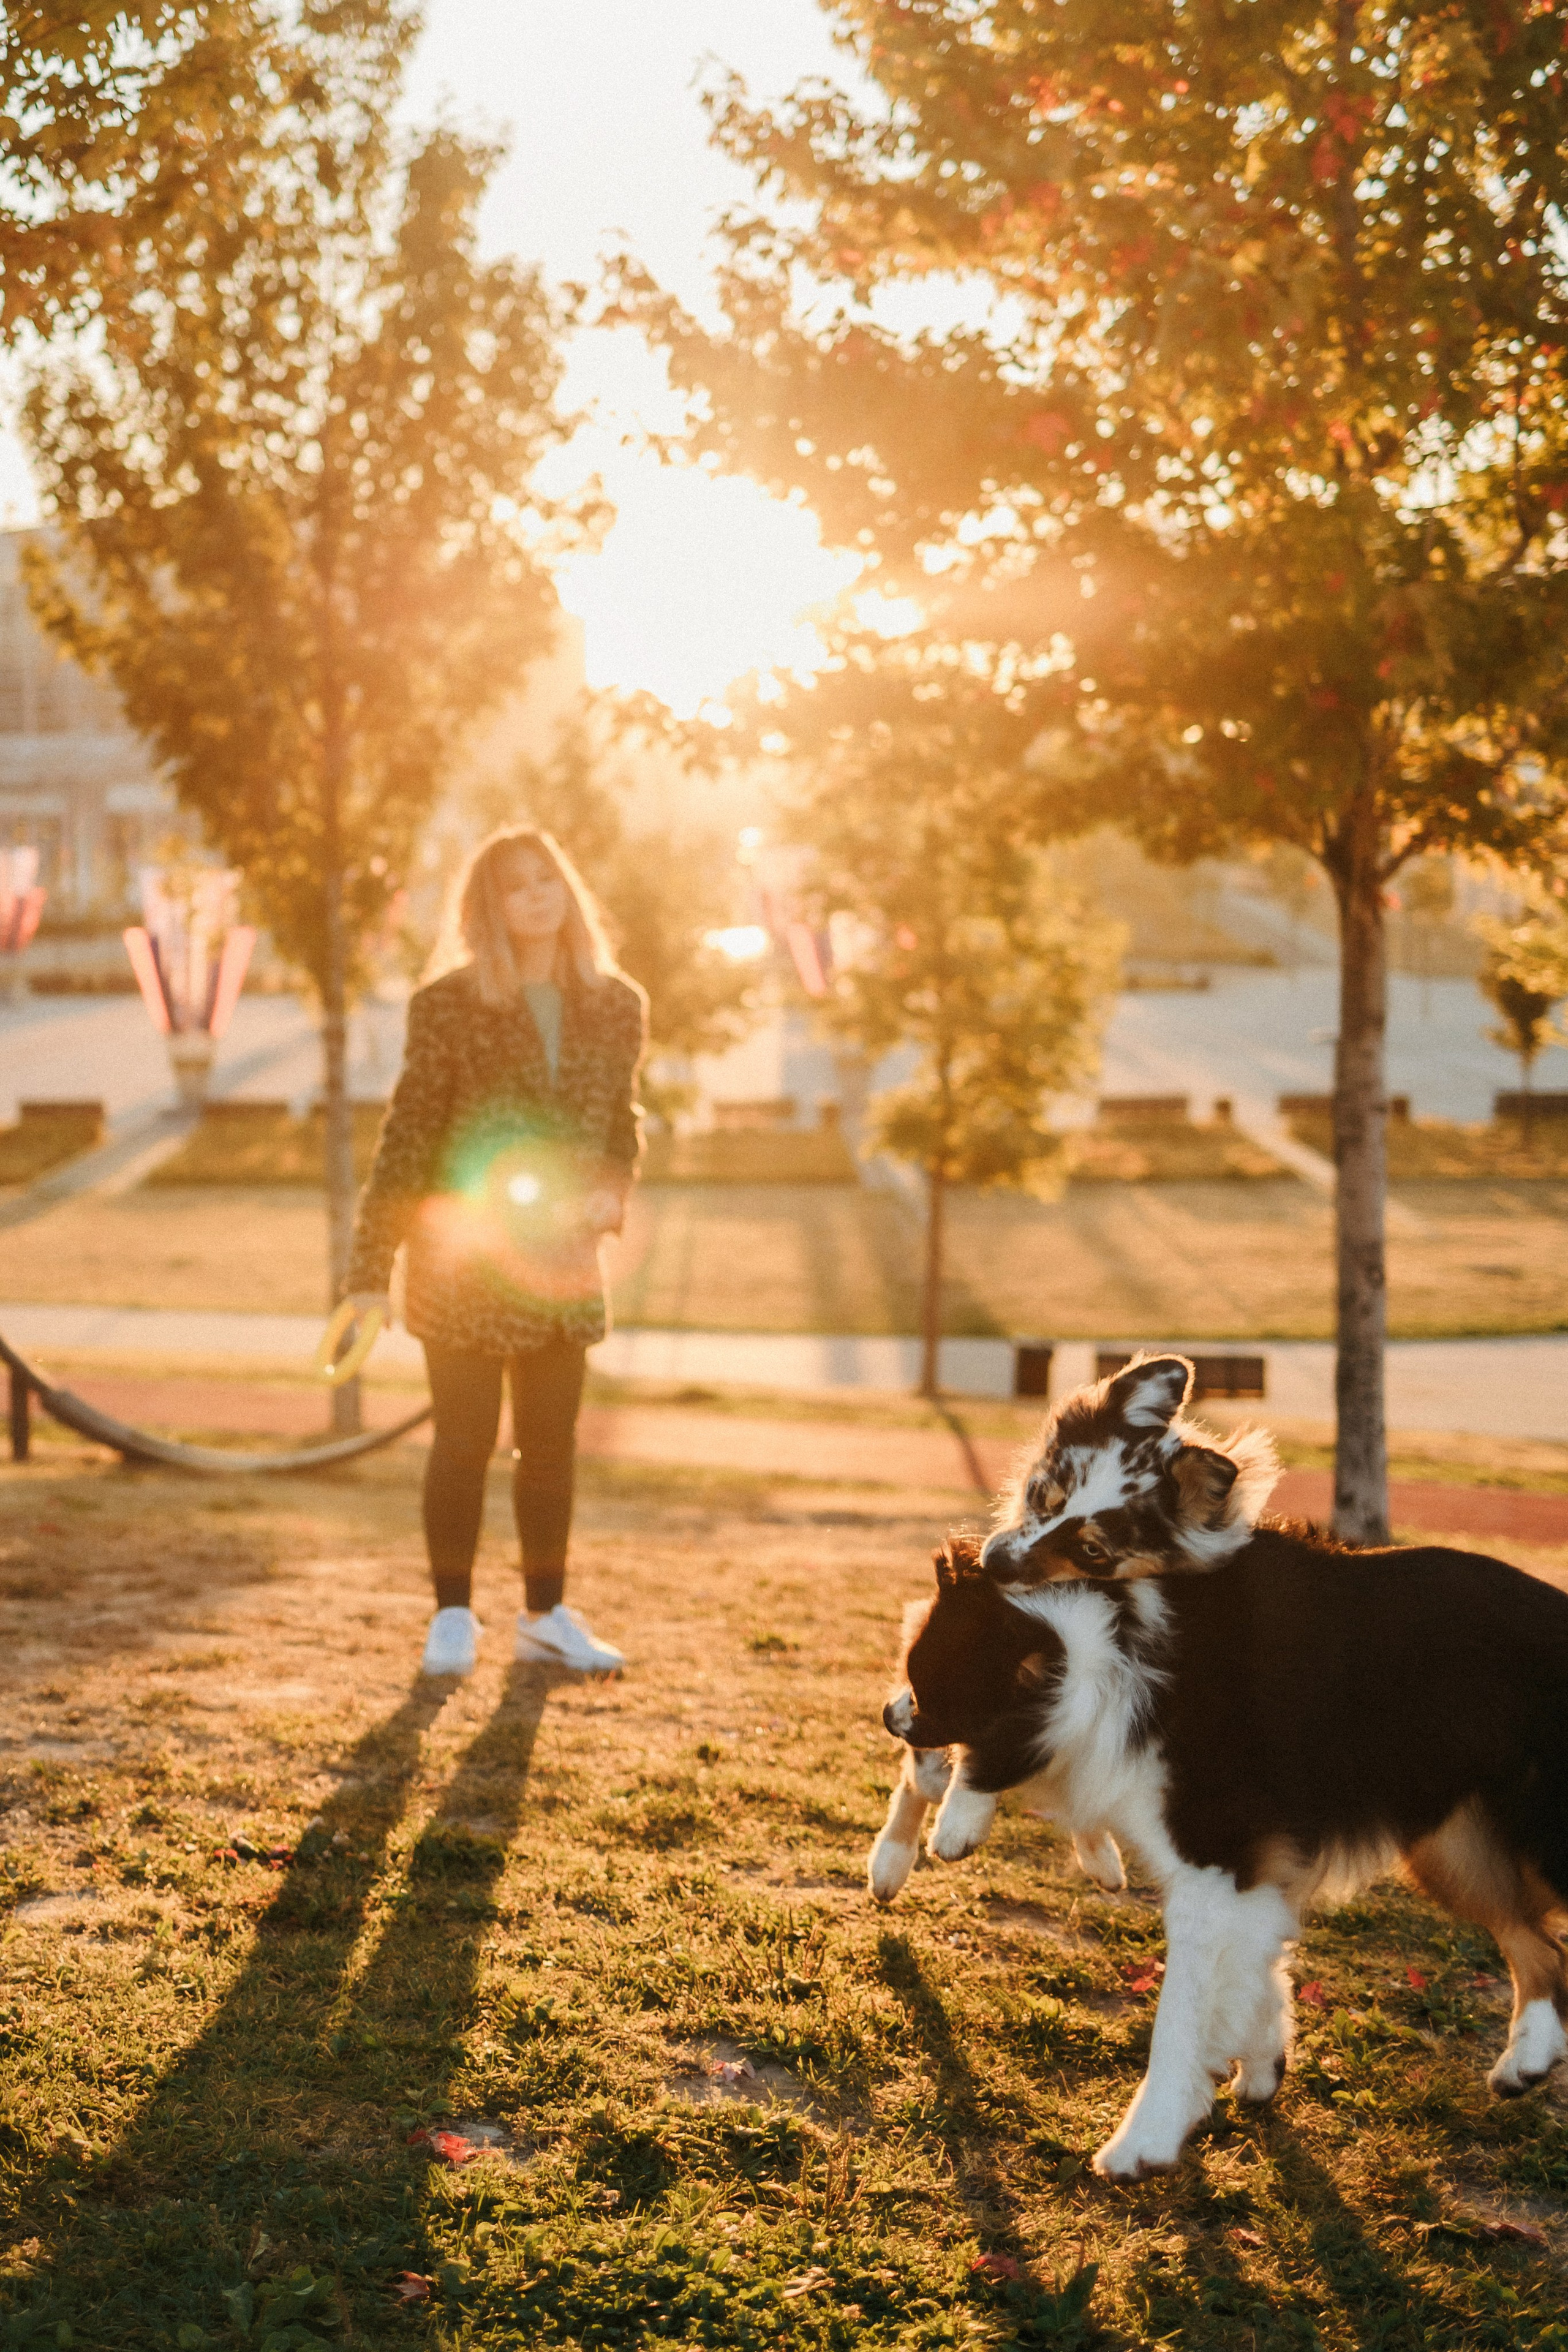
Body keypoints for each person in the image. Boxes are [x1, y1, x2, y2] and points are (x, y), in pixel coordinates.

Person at [344, 826, 647, 1678]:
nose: (536, 895)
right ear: (491, 907)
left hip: (562, 1265)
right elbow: (406, 1142)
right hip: (460, 1264)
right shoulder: (445, 1005)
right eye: (515, 886)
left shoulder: (618, 1004)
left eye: (546, 878)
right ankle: (452, 1615)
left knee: (551, 1446)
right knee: (464, 1442)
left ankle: (545, 1615)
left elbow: (621, 1126)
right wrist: (368, 1274)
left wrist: (610, 1193)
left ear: (567, 890)